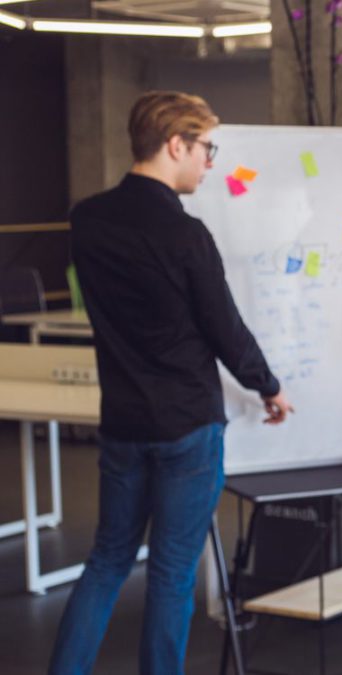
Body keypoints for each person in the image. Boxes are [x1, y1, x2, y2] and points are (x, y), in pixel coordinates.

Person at [50, 91, 293, 675]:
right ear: (175, 144)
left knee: (107, 560)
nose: (211, 162)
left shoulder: (87, 219)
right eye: (206, 147)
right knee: (172, 571)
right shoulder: (186, 236)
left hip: (124, 421)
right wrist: (268, 386)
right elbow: (225, 329)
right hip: (186, 424)